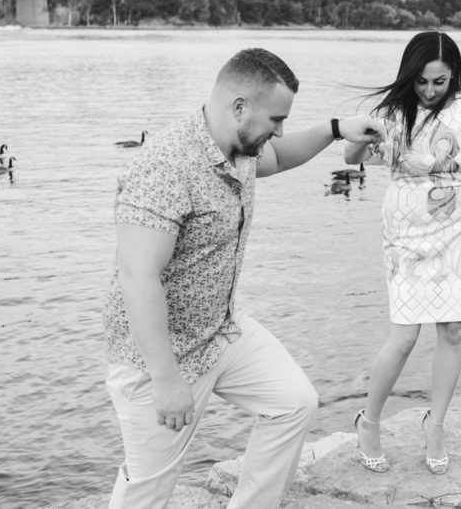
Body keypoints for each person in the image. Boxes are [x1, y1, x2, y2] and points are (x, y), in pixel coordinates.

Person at [102, 47, 385, 509]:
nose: (279, 130)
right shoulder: (164, 168)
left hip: (220, 330)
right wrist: (167, 380)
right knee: (149, 488)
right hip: (158, 355)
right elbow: (138, 277)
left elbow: (281, 156)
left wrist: (337, 130)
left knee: (293, 403)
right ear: (239, 107)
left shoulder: (239, 148)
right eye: (276, 118)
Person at [343, 31, 461, 475]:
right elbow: (350, 157)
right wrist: (365, 133)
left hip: (458, 225)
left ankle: (435, 424)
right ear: (409, 75)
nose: (430, 90)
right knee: (404, 334)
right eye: (422, 82)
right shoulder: (394, 110)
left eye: (439, 81)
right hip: (405, 227)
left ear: (454, 74)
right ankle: (369, 420)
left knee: (453, 329)